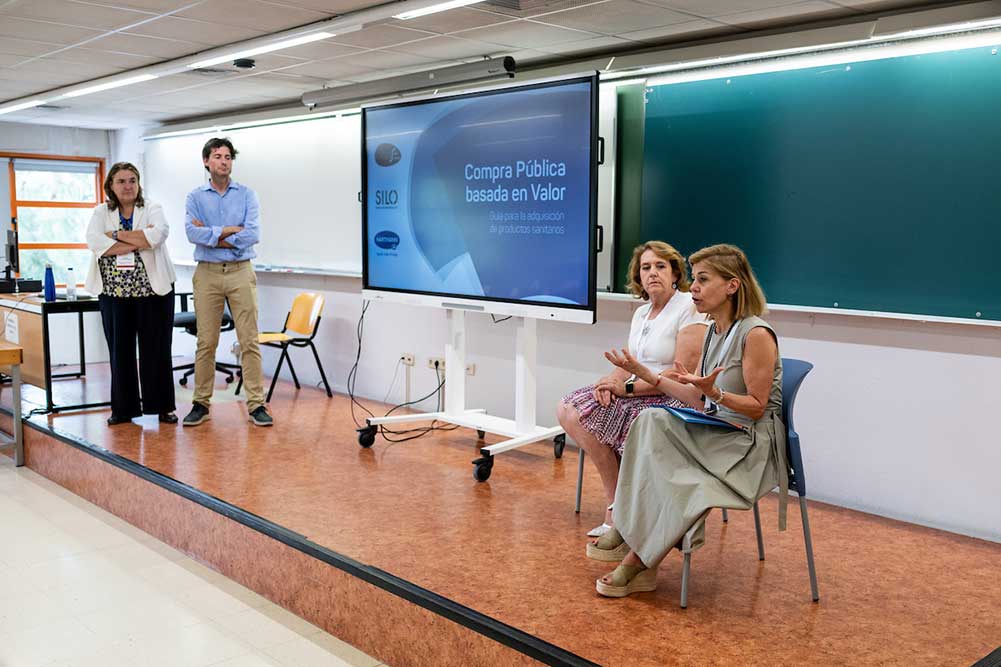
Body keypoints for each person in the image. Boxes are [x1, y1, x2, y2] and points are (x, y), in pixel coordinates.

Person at [589, 243, 787, 597]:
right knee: (649, 420)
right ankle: (626, 523)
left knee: (674, 475)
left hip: (746, 444)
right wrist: (645, 374)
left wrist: (716, 394)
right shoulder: (714, 330)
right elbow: (697, 397)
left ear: (732, 285)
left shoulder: (756, 334)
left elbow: (757, 408)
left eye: (703, 280)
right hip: (717, 428)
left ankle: (638, 561)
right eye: (694, 279)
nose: (693, 287)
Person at [556, 241, 707, 537]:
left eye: (660, 266)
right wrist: (609, 382)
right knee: (568, 408)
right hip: (635, 389)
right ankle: (619, 501)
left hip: (672, 397)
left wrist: (625, 389)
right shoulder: (642, 313)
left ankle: (621, 511)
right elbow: (630, 361)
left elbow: (680, 373)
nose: (653, 273)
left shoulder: (689, 307)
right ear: (639, 276)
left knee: (609, 418)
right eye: (646, 267)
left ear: (675, 273)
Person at [182, 137, 272, 427]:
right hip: (207, 273)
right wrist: (232, 231)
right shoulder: (195, 197)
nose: (224, 161)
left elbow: (252, 234)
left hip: (240, 271)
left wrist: (212, 234)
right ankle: (201, 403)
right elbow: (192, 234)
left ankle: (256, 404)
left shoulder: (247, 195)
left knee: (249, 340)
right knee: (206, 342)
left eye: (228, 157)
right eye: (218, 156)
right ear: (206, 161)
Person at [85, 162, 177, 425]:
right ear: (111, 186)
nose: (128, 186)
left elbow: (157, 235)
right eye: (121, 181)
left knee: (157, 350)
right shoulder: (101, 211)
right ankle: (123, 410)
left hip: (154, 291)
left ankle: (162, 407)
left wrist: (115, 236)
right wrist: (137, 240)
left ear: (138, 184)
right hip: (113, 293)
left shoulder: (152, 207)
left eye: (132, 180)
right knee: (120, 352)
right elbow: (94, 241)